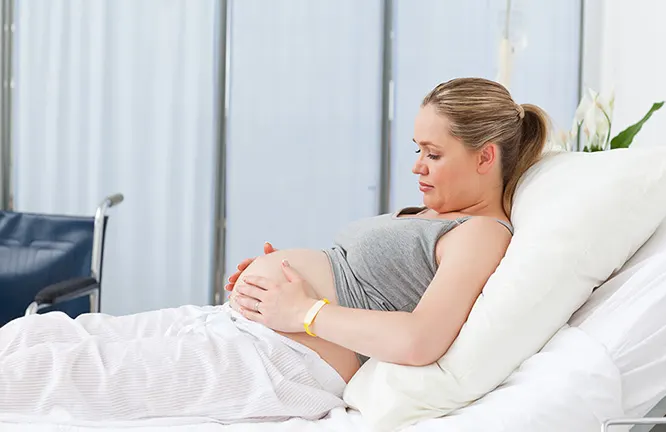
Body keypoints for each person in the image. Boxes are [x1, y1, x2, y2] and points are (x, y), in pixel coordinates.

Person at [0, 77, 548, 424]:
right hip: (236, 331)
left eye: (432, 153)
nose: (416, 167)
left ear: (485, 157)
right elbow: (357, 280)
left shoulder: (482, 233)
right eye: (416, 150)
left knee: (57, 375)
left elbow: (418, 339)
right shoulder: (434, 216)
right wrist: (269, 281)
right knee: (36, 334)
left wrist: (300, 311)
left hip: (281, 364)